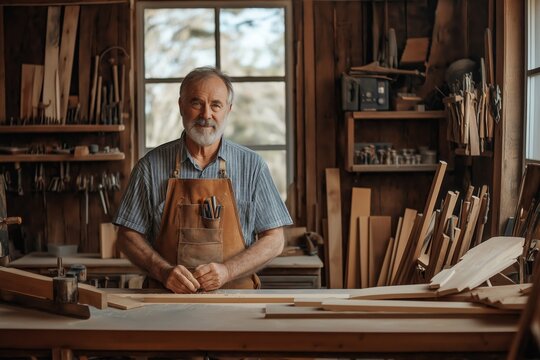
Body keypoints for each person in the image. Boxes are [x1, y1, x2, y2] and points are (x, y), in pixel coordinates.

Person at [113, 66, 292, 293]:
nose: (206, 115)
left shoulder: (252, 167)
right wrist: (163, 271)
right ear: (181, 106)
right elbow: (127, 235)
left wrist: (228, 270)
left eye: (216, 105)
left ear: (228, 109)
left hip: (237, 302)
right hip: (166, 302)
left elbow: (275, 240)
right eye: (196, 103)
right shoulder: (150, 166)